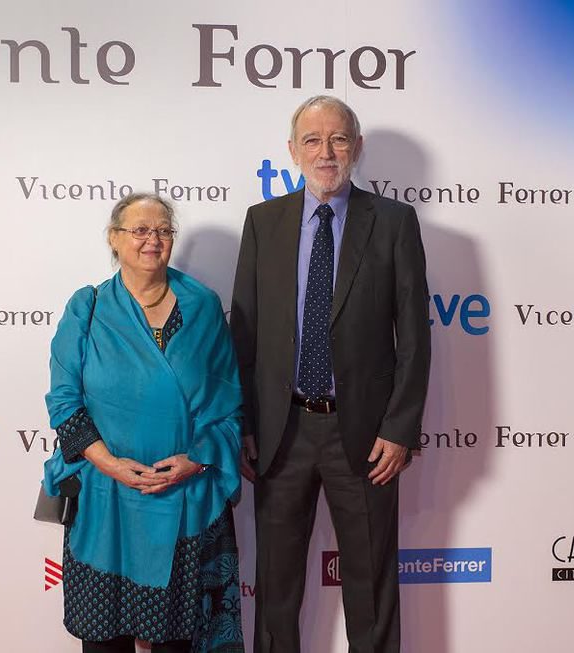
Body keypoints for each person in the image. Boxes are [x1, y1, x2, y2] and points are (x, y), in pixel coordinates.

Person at [230, 96, 432, 652]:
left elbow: (414, 336)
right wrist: (245, 424)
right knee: (276, 592)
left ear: (357, 148)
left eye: (339, 139)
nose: (326, 152)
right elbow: (243, 336)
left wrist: (400, 428)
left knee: (371, 587)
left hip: (365, 437)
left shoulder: (393, 223)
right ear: (292, 151)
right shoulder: (262, 223)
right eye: (313, 141)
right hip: (281, 433)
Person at [43, 193, 245, 653]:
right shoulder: (87, 307)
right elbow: (64, 400)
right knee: (104, 640)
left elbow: (229, 404)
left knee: (177, 642)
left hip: (185, 501)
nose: (152, 240)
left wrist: (196, 460)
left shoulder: (204, 306)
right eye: (139, 230)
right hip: (105, 501)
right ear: (114, 240)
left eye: (163, 230)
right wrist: (108, 462)